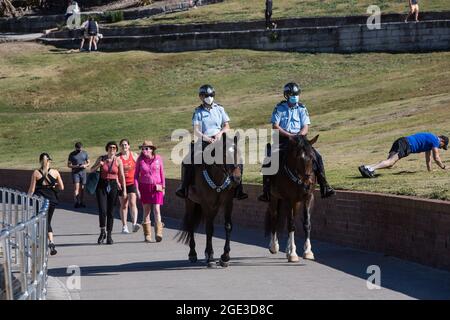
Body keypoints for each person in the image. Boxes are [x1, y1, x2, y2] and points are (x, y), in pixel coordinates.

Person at [258, 82, 335, 201]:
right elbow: (275, 126)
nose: (295, 96)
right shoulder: (279, 108)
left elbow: (306, 126)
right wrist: (289, 135)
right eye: (292, 94)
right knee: (269, 159)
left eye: (296, 94)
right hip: (284, 139)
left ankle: (325, 185)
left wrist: (299, 135)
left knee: (317, 157)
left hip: (300, 139)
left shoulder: (302, 108)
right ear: (286, 95)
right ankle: (266, 191)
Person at [175, 84, 248, 200]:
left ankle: (239, 188)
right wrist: (207, 138)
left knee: (237, 157)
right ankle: (184, 187)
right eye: (206, 95)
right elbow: (196, 131)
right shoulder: (198, 112)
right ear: (201, 97)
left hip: (220, 139)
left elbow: (226, 126)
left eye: (211, 95)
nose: (209, 97)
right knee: (187, 160)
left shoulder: (220, 109)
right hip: (204, 140)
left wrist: (219, 134)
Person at [359, 133, 448, 178]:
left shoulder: (430, 139)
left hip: (401, 140)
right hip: (406, 145)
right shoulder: (435, 141)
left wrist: (430, 171)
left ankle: (367, 167)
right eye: (442, 147)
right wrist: (443, 167)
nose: (440, 148)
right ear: (442, 141)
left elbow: (428, 158)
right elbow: (436, 157)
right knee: (390, 162)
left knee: (390, 163)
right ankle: (369, 169)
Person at [28, 153, 64, 256]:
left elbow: (32, 189)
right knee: (48, 221)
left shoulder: (36, 173)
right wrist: (54, 185)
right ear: (50, 161)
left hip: (40, 200)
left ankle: (42, 243)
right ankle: (51, 242)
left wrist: (27, 197)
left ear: (40, 161)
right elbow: (62, 187)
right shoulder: (55, 172)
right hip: (52, 199)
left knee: (41, 221)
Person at [90, 141, 127, 245]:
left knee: (111, 211)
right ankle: (102, 232)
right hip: (102, 185)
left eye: (114, 148)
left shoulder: (118, 160)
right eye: (110, 147)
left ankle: (109, 234)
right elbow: (91, 170)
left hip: (113, 185)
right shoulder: (101, 158)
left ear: (116, 150)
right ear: (107, 148)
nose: (112, 149)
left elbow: (122, 176)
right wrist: (99, 165)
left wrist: (124, 190)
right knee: (102, 210)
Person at [134, 141, 165, 243]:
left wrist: (163, 187)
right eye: (143, 149)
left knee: (156, 209)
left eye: (146, 148)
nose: (144, 150)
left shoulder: (158, 159)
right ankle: (147, 234)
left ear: (152, 149)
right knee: (146, 210)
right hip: (144, 186)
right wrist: (137, 189)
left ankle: (158, 233)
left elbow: (162, 173)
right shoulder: (140, 160)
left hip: (157, 186)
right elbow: (135, 176)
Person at [118, 139, 140, 234]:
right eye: (122, 145)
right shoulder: (118, 157)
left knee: (132, 203)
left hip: (132, 183)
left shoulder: (134, 155)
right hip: (121, 184)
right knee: (124, 205)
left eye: (126, 145)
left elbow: (141, 166)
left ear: (129, 146)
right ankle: (124, 226)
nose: (124, 146)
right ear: (120, 147)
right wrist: (117, 182)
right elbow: (114, 170)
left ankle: (134, 224)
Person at [67, 142, 90, 208]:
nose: (79, 150)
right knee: (76, 188)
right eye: (78, 149)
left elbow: (88, 162)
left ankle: (82, 202)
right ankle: (76, 202)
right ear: (75, 148)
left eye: (80, 149)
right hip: (75, 173)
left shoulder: (84, 153)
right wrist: (76, 166)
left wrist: (85, 165)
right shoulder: (72, 154)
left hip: (83, 172)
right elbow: (68, 165)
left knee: (82, 188)